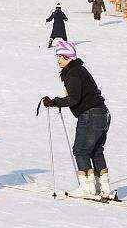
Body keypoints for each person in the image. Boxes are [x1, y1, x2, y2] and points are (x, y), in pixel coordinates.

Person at [40, 40, 112, 200]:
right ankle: (104, 188)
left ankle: (87, 188)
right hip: (102, 113)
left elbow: (73, 98)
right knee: (96, 150)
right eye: (58, 56)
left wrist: (54, 102)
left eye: (61, 57)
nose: (58, 60)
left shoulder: (73, 73)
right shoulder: (80, 70)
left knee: (81, 150)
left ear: (69, 57)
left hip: (90, 115)